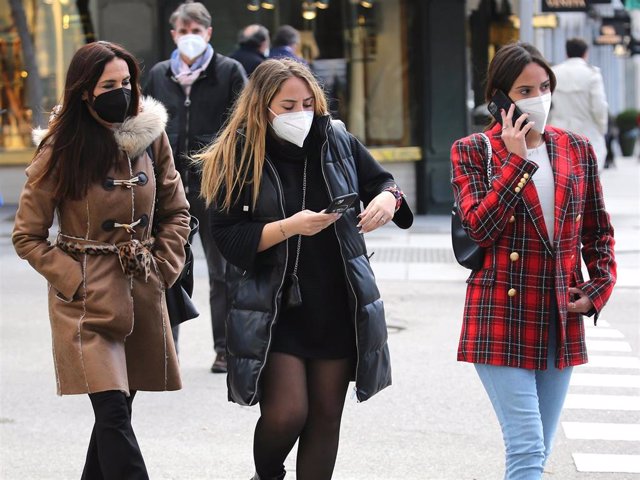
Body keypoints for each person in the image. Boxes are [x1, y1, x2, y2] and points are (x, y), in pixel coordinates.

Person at [197, 58, 412, 480]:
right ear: (262, 107)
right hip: (276, 306)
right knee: (287, 413)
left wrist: (389, 198)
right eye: (288, 104)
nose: (301, 114)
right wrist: (289, 227)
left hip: (336, 298)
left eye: (308, 102)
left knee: (325, 417)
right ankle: (268, 475)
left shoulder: (336, 139)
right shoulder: (239, 152)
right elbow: (228, 238)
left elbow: (384, 183)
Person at [12, 41, 190, 479]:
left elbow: (177, 211)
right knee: (113, 414)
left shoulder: (152, 136)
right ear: (84, 91)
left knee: (116, 418)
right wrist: (76, 279)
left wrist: (165, 266)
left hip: (142, 291)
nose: (121, 92)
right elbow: (27, 236)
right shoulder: (60, 148)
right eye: (108, 84)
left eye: (126, 82)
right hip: (85, 304)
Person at [451, 42, 616, 479]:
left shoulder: (575, 148)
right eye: (525, 90)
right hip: (501, 313)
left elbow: (598, 233)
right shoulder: (472, 151)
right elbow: (479, 228)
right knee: (526, 449)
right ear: (500, 98)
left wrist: (596, 290)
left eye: (544, 87)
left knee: (537, 453)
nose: (538, 98)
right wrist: (516, 160)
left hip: (559, 316)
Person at [143, 0, 247, 373]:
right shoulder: (157, 75)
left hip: (215, 189)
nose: (189, 38)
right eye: (183, 31)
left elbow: (244, 126)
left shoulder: (229, 71)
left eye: (196, 31)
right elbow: (144, 128)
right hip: (167, 191)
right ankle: (166, 349)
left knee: (223, 274)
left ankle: (226, 349)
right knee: (165, 269)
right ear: (173, 34)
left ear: (208, 34)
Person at [548, 37, 609, 171]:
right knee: (589, 173)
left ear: (567, 53)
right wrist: (602, 128)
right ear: (585, 53)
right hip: (588, 131)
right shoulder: (592, 74)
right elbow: (599, 106)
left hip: (559, 130)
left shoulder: (554, 72)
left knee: (562, 172)